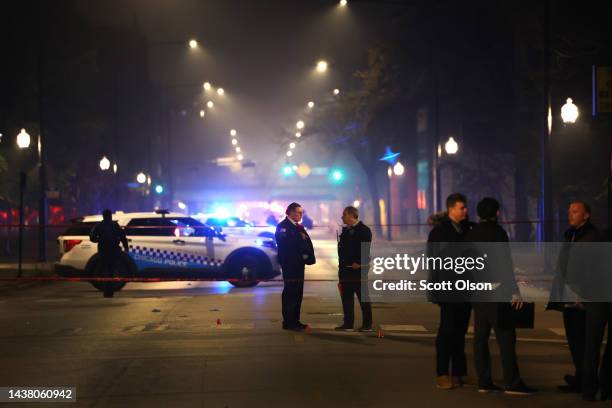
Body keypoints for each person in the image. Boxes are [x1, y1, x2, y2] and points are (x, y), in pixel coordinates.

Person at [466, 197, 536, 395]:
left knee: (480, 337)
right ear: (496, 213)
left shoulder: (472, 235)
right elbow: (505, 265)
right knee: (506, 337)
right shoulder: (498, 234)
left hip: (478, 292)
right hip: (497, 291)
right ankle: (512, 381)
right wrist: (514, 291)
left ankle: (484, 380)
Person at [547, 201, 600, 394]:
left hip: (579, 298)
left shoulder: (591, 237)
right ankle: (581, 377)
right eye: (569, 211)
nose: (570, 215)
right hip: (570, 295)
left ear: (586, 215)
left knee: (581, 341)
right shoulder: (572, 235)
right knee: (575, 340)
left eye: (575, 212)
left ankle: (587, 381)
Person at [427, 193, 474, 390]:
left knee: (460, 332)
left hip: (466, 288)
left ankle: (459, 372)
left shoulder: (468, 229)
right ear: (451, 209)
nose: (466, 211)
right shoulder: (440, 232)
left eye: (466, 208)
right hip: (448, 288)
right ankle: (442, 373)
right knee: (447, 331)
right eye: (462, 208)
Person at [275, 202, 316, 331]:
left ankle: (295, 320)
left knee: (298, 293)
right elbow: (287, 246)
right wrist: (300, 255)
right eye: (298, 212)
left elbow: (304, 241)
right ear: (291, 212)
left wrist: (306, 256)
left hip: (298, 265)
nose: (300, 214)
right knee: (290, 293)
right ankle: (288, 321)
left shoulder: (298, 227)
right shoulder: (283, 227)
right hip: (290, 265)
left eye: (301, 212)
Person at [335, 206, 373, 332]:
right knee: (346, 298)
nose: (342, 217)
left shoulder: (364, 230)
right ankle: (348, 323)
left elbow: (365, 250)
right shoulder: (345, 230)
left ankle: (367, 324)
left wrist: (360, 263)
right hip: (345, 269)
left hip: (358, 270)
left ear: (351, 215)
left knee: (363, 298)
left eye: (344, 215)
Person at [89, 209, 129, 298]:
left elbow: (92, 238)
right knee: (111, 270)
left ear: (103, 216)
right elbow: (122, 236)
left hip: (103, 250)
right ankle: (109, 291)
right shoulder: (115, 225)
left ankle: (106, 291)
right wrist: (126, 247)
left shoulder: (99, 226)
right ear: (110, 215)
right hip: (113, 250)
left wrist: (100, 240)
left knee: (104, 269)